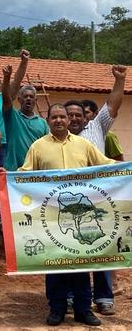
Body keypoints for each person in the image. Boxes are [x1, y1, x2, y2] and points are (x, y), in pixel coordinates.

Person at [16, 103, 115, 327]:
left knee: (80, 262)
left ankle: (83, 310)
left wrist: (128, 168)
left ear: (68, 121)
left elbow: (106, 166)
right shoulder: (38, 147)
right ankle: (57, 309)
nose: (59, 120)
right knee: (54, 263)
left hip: (82, 215)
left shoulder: (84, 145)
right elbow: (23, 175)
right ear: (48, 121)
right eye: (55, 117)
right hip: (53, 216)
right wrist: (3, 176)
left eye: (63, 117)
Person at [64, 65, 127, 316]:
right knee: (69, 247)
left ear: (86, 117)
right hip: (68, 202)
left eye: (79, 114)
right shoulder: (57, 135)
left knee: (101, 244)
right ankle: (70, 296)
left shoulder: (97, 127)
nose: (74, 118)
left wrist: (120, 81)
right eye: (70, 115)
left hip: (100, 198)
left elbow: (113, 105)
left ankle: (103, 296)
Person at [1, 57, 48, 171]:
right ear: (19, 100)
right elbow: (6, 99)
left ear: (35, 101)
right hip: (13, 171)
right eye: (25, 96)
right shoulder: (12, 117)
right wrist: (6, 78)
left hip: (35, 173)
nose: (28, 99)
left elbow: (47, 147)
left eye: (31, 97)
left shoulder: (43, 123)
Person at [0, 49, 30, 167]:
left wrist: (24, 62)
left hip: (8, 143)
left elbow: (17, 81)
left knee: (6, 177)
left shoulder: (4, 97)